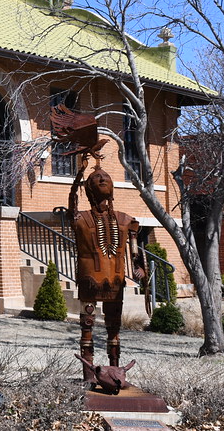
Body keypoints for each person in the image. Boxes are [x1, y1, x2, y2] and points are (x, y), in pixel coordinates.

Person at [69, 157, 145, 387]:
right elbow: (71, 204)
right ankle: (89, 376)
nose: (102, 179)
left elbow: (134, 250)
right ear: (89, 188)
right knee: (87, 328)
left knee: (114, 328)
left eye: (106, 177)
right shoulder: (81, 217)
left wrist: (139, 266)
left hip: (115, 280)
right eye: (97, 178)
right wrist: (79, 175)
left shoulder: (125, 220)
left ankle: (117, 373)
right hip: (89, 279)